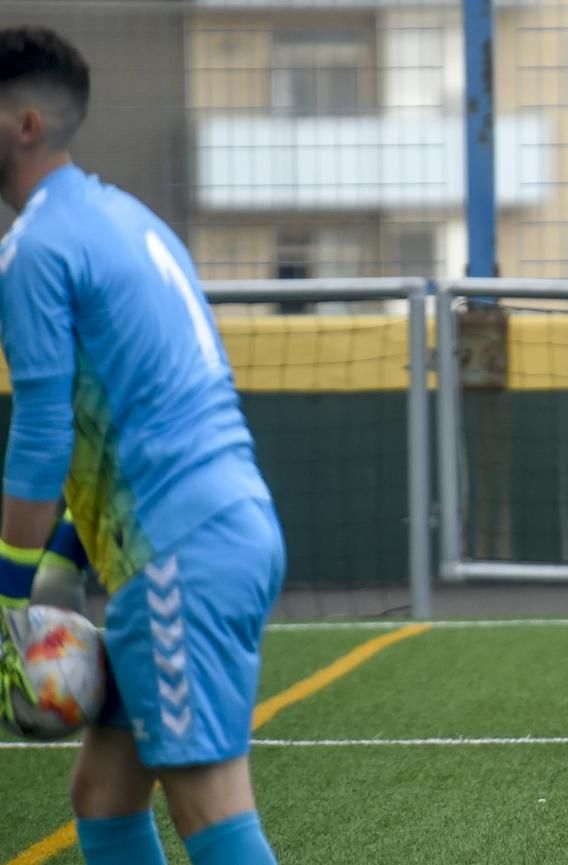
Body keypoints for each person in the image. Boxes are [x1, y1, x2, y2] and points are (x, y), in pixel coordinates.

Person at [0, 27, 283, 864]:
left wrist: (11, 591)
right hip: (215, 529)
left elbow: (45, 431)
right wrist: (63, 554)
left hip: (177, 553)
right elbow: (132, 410)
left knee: (209, 806)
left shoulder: (33, 248)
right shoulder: (131, 219)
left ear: (23, 124)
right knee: (105, 792)